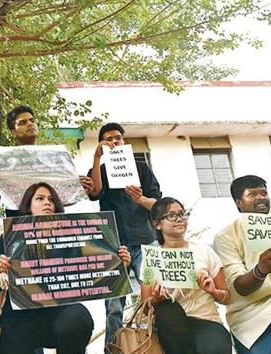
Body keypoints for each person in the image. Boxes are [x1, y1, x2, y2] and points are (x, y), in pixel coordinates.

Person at [0, 182, 132, 354]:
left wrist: (118, 265)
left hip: (58, 313)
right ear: (29, 207)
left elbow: (94, 272)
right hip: (19, 317)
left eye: (51, 199)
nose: (47, 202)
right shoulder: (11, 237)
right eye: (40, 199)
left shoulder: (73, 236)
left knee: (79, 318)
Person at [87, 122, 162, 350]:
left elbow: (158, 204)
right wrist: (97, 159)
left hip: (144, 241)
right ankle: (114, 348)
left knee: (153, 297)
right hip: (113, 245)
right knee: (113, 306)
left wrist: (140, 199)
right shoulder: (98, 170)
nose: (114, 142)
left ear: (124, 141)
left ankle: (155, 345)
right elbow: (94, 193)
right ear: (101, 143)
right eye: (108, 139)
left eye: (118, 138)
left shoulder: (141, 167)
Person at [213, 175, 271, 354]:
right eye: (252, 194)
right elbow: (240, 287)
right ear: (239, 203)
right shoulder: (225, 236)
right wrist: (259, 271)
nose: (260, 197)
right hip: (251, 314)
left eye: (264, 193)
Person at [140, 197, 231, 354]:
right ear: (157, 224)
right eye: (171, 216)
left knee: (216, 347)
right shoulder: (151, 258)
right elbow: (145, 308)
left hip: (206, 321)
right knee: (168, 309)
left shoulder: (204, 251)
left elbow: (227, 297)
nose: (179, 219)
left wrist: (213, 291)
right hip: (171, 326)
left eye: (182, 214)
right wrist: (156, 299)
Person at [0, 105, 93, 216]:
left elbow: (64, 200)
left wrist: (80, 189)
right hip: (19, 227)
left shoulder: (55, 158)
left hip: (53, 224)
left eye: (32, 120)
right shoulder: (2, 161)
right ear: (13, 131)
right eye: (23, 122)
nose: (30, 124)